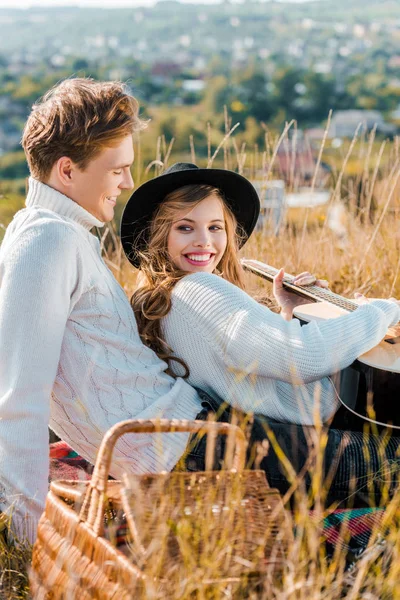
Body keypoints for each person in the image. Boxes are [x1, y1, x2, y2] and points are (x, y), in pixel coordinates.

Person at [0, 80, 207, 543]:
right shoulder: (47, 241)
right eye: (118, 170)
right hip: (189, 448)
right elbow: (19, 400)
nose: (129, 183)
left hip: (185, 430)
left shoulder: (57, 235)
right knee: (384, 466)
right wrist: (27, 548)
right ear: (68, 170)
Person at [122, 162, 400, 504]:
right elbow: (299, 356)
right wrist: (383, 309)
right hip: (296, 437)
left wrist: (290, 311)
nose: (204, 241)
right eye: (185, 227)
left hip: (271, 439)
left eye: (215, 226)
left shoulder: (161, 301)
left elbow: (244, 370)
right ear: (158, 234)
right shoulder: (196, 288)